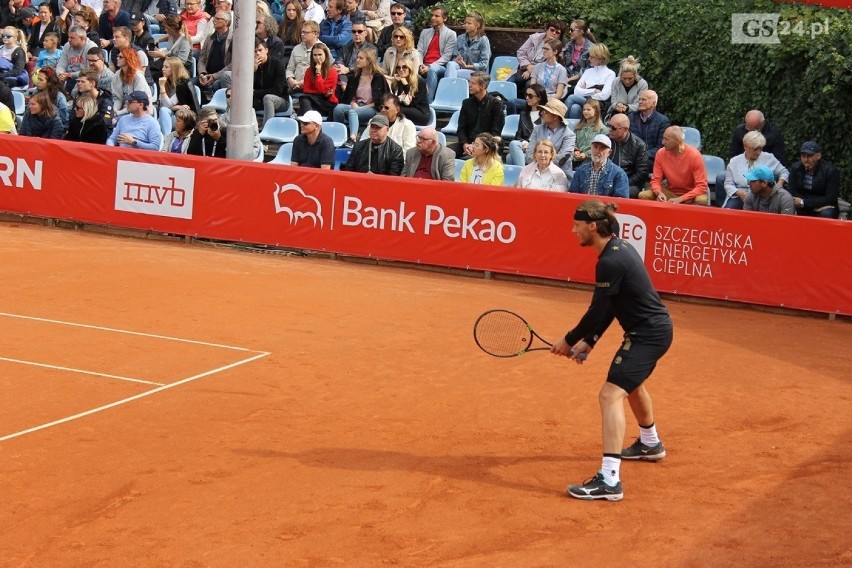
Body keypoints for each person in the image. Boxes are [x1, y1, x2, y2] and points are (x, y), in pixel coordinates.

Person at [554, 198, 673, 502]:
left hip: (648, 334)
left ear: (592, 227)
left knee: (610, 394)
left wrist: (568, 340)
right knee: (631, 385)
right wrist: (590, 341)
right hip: (651, 331)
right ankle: (650, 443)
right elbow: (608, 306)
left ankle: (609, 480)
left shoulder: (610, 261)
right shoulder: (618, 248)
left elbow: (596, 311)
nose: (572, 230)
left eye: (577, 226)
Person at [639, 126, 708, 205]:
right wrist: (659, 193)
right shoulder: (660, 153)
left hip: (691, 194)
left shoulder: (695, 155)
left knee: (701, 200)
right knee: (643, 195)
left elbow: (701, 186)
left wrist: (681, 198)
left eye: (666, 139)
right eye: (663, 138)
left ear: (677, 141)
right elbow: (656, 180)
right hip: (670, 192)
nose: (663, 142)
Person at [332, 48, 387, 147]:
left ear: (369, 61)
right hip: (356, 105)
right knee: (338, 109)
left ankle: (353, 138)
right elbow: (349, 95)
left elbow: (382, 100)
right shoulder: (354, 76)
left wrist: (362, 108)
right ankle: (340, 134)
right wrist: (353, 102)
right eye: (357, 57)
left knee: (353, 112)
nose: (357, 60)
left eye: (361, 58)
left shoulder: (378, 77)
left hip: (372, 108)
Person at [721, 130, 788, 209]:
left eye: (760, 148)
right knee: (729, 210)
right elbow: (728, 184)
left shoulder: (769, 158)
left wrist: (778, 185)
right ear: (745, 146)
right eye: (755, 149)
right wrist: (738, 192)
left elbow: (784, 172)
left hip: (763, 196)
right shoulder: (734, 162)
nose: (759, 152)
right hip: (740, 196)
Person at [451, 71, 504, 158]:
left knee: (471, 159)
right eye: (469, 82)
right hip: (468, 143)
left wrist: (477, 146)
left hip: (488, 145)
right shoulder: (466, 103)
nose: (469, 85)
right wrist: (465, 144)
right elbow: (461, 128)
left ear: (482, 86)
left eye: (473, 83)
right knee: (445, 153)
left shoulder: (496, 104)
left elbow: (495, 132)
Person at [525, 98, 575, 180]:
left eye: (546, 112)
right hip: (535, 174)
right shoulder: (537, 129)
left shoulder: (569, 135)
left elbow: (562, 159)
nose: (542, 113)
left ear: (555, 116)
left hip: (558, 177)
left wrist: (542, 162)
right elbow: (529, 154)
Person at [787, 141, 840, 218]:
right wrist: (807, 205)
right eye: (803, 156)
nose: (805, 159)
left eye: (809, 156)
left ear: (818, 156)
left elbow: (830, 197)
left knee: (827, 213)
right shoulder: (795, 168)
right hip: (802, 206)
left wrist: (804, 203)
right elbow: (791, 190)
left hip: (823, 206)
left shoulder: (830, 171)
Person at [416, 5, 455, 103]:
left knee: (432, 70)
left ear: (444, 18)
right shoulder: (425, 32)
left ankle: (428, 103)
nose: (433, 18)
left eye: (437, 16)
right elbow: (419, 51)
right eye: (432, 15)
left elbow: (446, 56)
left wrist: (429, 66)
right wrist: (420, 64)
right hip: (423, 64)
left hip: (439, 66)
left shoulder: (451, 34)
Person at [565, 43, 615, 119]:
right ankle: (573, 129)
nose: (589, 59)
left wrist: (585, 91)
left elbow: (604, 96)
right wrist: (594, 90)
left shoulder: (610, 74)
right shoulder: (588, 72)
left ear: (600, 59)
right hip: (585, 102)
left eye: (592, 57)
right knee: (575, 108)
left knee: (571, 97)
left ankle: (561, 124)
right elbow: (576, 91)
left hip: (598, 105)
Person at [513, 20, 563, 93]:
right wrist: (527, 66)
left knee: (529, 84)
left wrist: (530, 71)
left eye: (557, 32)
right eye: (552, 30)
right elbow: (521, 52)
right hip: (524, 66)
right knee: (512, 81)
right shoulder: (535, 38)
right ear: (547, 29)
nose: (554, 33)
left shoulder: (558, 49)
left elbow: (549, 65)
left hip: (540, 74)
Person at [607, 112, 649, 198]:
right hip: (606, 180)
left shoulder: (639, 145)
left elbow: (642, 173)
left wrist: (622, 182)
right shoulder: (605, 141)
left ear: (625, 130)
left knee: (628, 192)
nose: (610, 130)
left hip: (629, 182)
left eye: (613, 128)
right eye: (609, 126)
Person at [333, 19, 376, 96]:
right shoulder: (346, 47)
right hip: (344, 77)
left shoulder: (371, 49)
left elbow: (367, 66)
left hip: (360, 77)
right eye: (354, 31)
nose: (356, 34)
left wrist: (348, 69)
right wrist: (342, 69)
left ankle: (347, 93)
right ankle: (345, 89)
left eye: (360, 31)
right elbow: (338, 62)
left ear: (365, 33)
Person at [506, 83, 546, 166]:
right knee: (509, 155)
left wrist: (532, 145)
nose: (527, 98)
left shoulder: (546, 115)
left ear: (539, 97)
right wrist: (524, 143)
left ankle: (523, 174)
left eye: (530, 96)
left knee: (510, 157)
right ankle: (525, 175)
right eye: (526, 95)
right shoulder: (524, 114)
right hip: (525, 147)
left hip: (539, 147)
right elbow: (518, 135)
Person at [252, 38, 288, 124]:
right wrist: (253, 71)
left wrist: (255, 93)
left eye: (260, 50)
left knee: (268, 98)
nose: (258, 53)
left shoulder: (277, 64)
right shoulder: (251, 65)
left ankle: (266, 130)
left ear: (266, 50)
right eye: (255, 51)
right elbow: (246, 89)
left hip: (280, 99)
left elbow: (277, 91)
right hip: (258, 99)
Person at [445, 11, 489, 81]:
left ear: (477, 25)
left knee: (454, 73)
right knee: (451, 64)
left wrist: (467, 66)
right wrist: (457, 59)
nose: (465, 25)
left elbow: (484, 64)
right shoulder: (460, 38)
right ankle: (451, 88)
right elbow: (454, 56)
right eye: (465, 23)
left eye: (469, 23)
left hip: (477, 73)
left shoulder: (483, 40)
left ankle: (449, 89)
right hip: (460, 68)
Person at [628, 89, 669, 164]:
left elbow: (661, 147)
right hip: (632, 158)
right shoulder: (631, 118)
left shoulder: (662, 121)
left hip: (652, 159)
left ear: (654, 103)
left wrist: (642, 155)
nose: (640, 102)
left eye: (643, 100)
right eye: (639, 99)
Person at [298, 41, 337, 117]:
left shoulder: (332, 72)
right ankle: (309, 121)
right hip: (312, 100)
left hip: (327, 102)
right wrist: (319, 92)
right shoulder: (309, 71)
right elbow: (306, 89)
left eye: (320, 55)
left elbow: (322, 90)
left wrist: (318, 73)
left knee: (305, 100)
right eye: (315, 55)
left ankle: (309, 120)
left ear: (326, 55)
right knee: (304, 99)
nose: (317, 57)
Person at [219, 87, 261, 157]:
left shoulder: (249, 111)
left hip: (249, 147)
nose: (230, 98)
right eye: (228, 96)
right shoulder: (224, 115)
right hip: (231, 147)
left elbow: (252, 132)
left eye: (234, 96)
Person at [196, 10, 232, 93]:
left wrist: (214, 76)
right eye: (214, 18)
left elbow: (232, 64)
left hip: (220, 76)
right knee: (188, 84)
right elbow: (202, 58)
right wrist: (203, 73)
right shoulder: (210, 37)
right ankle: (199, 105)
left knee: (216, 85)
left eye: (217, 18)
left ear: (225, 22)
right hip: (206, 74)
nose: (213, 20)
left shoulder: (233, 39)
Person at [148, 14, 191, 82]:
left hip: (180, 69)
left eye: (167, 28)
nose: (165, 30)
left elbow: (181, 62)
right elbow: (167, 36)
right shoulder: (172, 34)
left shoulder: (185, 41)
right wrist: (158, 40)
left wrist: (163, 56)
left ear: (173, 28)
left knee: (155, 75)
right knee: (150, 69)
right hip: (168, 62)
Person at [111, 47, 152, 117]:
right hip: (125, 109)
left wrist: (118, 113)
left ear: (128, 59)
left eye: (120, 57)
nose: (117, 58)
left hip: (140, 111)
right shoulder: (116, 76)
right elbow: (117, 98)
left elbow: (137, 102)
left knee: (116, 121)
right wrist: (114, 111)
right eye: (118, 56)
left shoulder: (138, 77)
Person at [388, 55, 428, 126]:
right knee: (388, 109)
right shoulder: (396, 83)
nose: (401, 69)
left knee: (394, 110)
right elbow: (396, 101)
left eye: (404, 67)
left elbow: (413, 103)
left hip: (419, 112)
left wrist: (406, 85)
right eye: (398, 67)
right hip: (403, 110)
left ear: (410, 68)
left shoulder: (420, 82)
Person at [57, 25, 98, 91]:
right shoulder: (67, 46)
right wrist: (60, 74)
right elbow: (61, 65)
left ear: (81, 38)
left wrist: (71, 75)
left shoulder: (91, 47)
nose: (69, 40)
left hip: (86, 80)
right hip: (69, 78)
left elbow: (89, 71)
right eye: (69, 37)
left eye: (72, 38)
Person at [606, 55, 647, 120]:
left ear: (635, 76)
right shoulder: (615, 81)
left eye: (630, 78)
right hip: (617, 112)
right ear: (620, 75)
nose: (627, 81)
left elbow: (640, 104)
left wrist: (627, 108)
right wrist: (617, 105)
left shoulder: (642, 84)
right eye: (624, 78)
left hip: (636, 114)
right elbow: (613, 101)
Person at [74, 68, 114, 133]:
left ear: (92, 83)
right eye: (78, 81)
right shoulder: (78, 97)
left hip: (100, 133)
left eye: (83, 81)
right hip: (81, 129)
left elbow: (105, 122)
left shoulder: (105, 100)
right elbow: (74, 117)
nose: (79, 84)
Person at [285, 19, 319, 94]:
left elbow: (323, 73)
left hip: (312, 88)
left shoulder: (322, 49)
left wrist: (303, 83)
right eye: (302, 32)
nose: (303, 34)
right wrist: (291, 80)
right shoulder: (296, 48)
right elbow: (290, 69)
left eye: (306, 32)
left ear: (315, 34)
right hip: (294, 86)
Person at [562, 19, 595, 94]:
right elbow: (564, 65)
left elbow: (588, 70)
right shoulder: (568, 46)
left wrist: (569, 79)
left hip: (582, 81)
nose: (570, 32)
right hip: (567, 77)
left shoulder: (592, 48)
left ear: (581, 31)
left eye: (572, 30)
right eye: (569, 29)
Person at [572, 99, 607, 165]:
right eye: (584, 109)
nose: (585, 112)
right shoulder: (578, 126)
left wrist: (586, 154)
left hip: (592, 159)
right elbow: (573, 141)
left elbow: (601, 147)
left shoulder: (603, 129)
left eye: (588, 110)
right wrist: (575, 150)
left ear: (596, 111)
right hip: (575, 157)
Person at [277, 0, 303, 69]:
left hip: (297, 55)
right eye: (289, 10)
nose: (291, 12)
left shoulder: (303, 25)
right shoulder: (282, 25)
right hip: (283, 54)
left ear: (298, 11)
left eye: (294, 10)